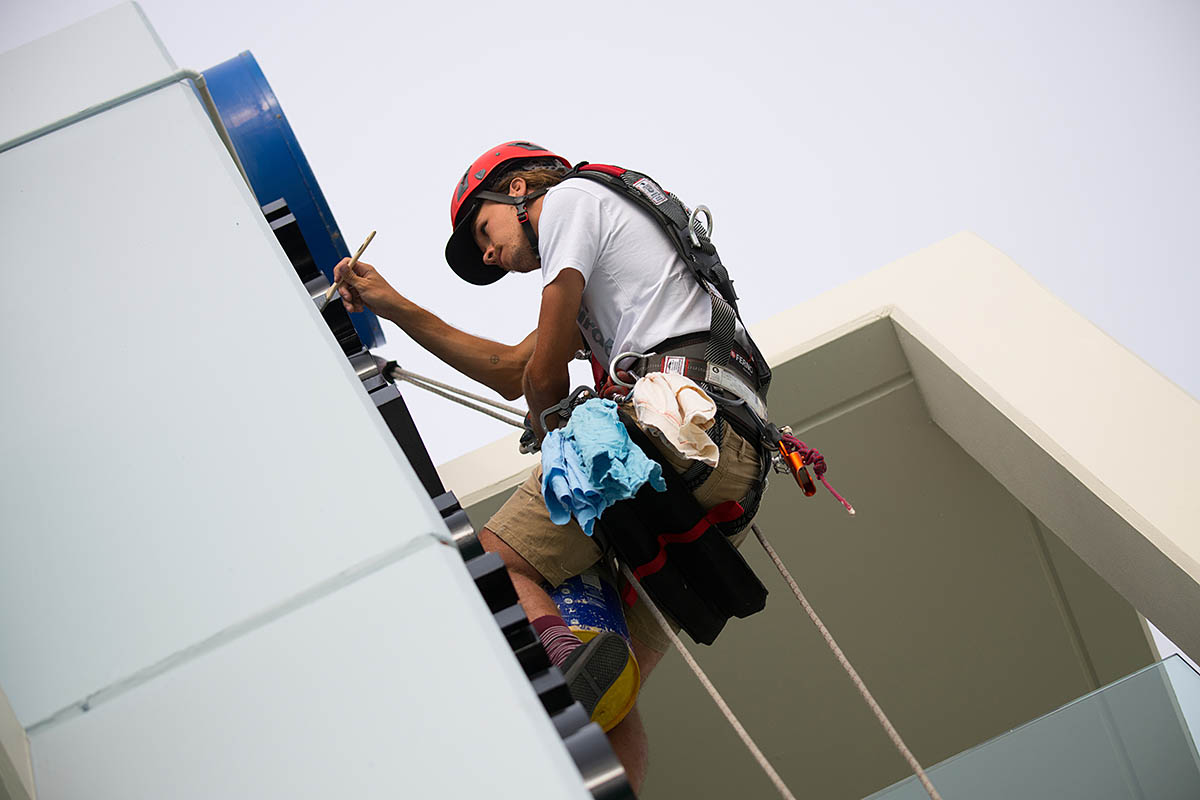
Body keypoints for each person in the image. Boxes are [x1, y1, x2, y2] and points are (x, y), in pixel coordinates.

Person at [333, 141, 769, 791]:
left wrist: (552, 421)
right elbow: (513, 372)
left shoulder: (569, 200)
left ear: (514, 190)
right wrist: (394, 305)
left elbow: (538, 378)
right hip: (730, 457)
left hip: (672, 423)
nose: (488, 255)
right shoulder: (619, 270)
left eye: (484, 232)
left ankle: (559, 653)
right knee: (608, 699)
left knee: (497, 560)